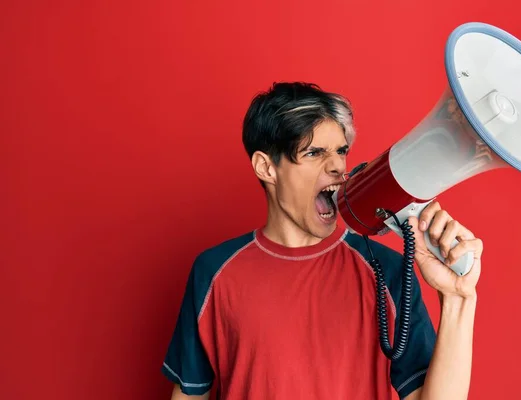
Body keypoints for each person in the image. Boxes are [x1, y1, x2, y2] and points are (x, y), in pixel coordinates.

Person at [161, 82, 483, 400]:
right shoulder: (214, 272)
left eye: (341, 151)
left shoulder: (387, 271)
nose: (338, 167)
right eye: (314, 152)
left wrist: (459, 298)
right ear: (266, 167)